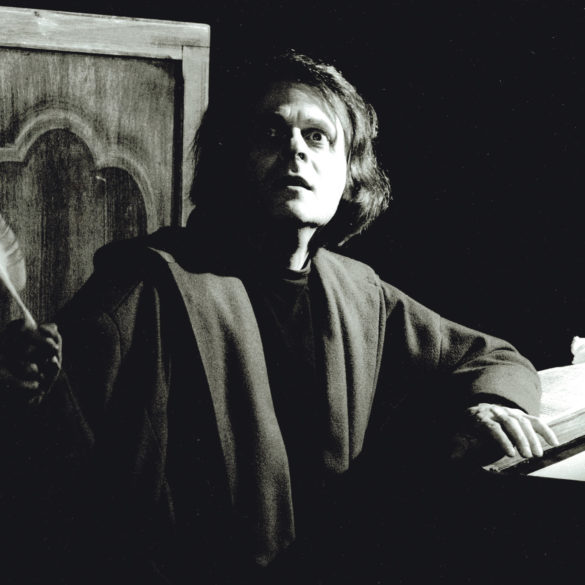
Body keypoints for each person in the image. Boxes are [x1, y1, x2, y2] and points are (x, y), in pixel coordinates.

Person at [0, 50, 559, 585]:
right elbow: (48, 455)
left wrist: (495, 405)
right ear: (230, 160)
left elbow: (491, 357)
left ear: (348, 174)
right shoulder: (143, 287)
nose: (295, 149)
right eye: (270, 134)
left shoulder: (358, 290)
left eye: (317, 136)